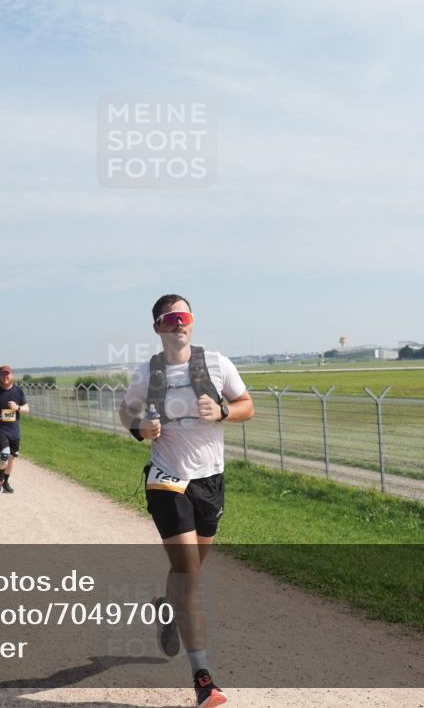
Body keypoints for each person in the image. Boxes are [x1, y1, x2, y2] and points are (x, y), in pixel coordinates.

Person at [118, 294, 254, 708]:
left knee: (191, 568)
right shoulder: (148, 372)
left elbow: (248, 406)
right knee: (189, 572)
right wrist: (139, 428)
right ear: (158, 327)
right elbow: (126, 411)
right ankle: (203, 679)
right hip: (166, 477)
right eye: (171, 318)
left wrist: (224, 412)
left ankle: (166, 606)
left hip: (209, 480)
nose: (180, 323)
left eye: (186, 316)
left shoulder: (216, 363)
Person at [0, 365, 28, 495]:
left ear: (11, 375)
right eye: (3, 374)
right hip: (0, 429)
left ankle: (5, 481)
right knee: (4, 455)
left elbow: (27, 409)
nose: (5, 376)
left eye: (8, 374)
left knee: (11, 458)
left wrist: (17, 407)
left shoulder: (18, 391)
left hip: (14, 431)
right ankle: (0, 478)